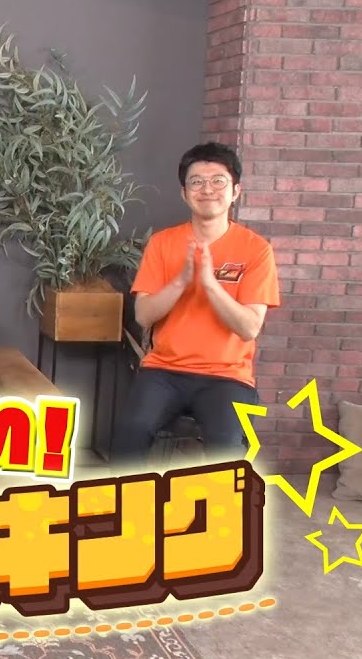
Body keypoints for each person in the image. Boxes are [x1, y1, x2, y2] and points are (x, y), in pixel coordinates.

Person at [110, 142, 280, 467]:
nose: (207, 189)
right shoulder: (163, 243)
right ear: (184, 194)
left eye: (218, 181)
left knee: (226, 447)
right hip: (164, 371)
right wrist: (181, 281)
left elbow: (249, 327)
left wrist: (210, 284)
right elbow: (143, 315)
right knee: (130, 432)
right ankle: (124, 499)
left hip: (227, 376)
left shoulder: (256, 250)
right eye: (197, 181)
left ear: (235, 191)